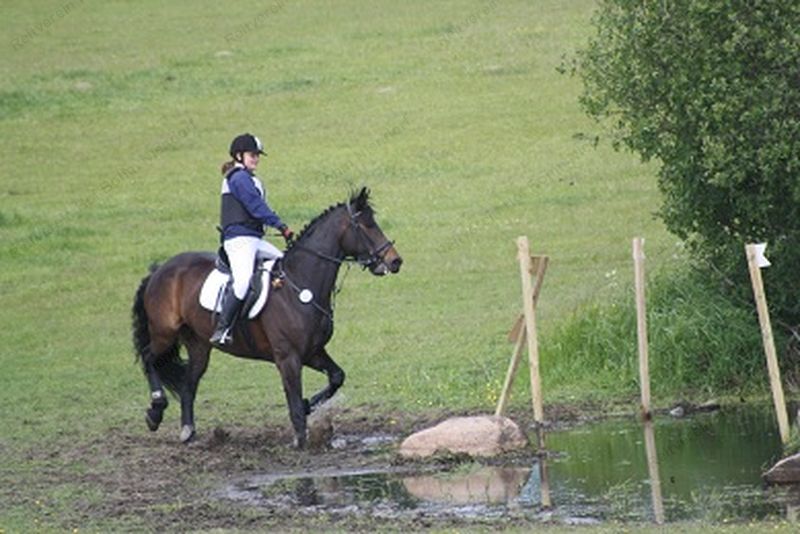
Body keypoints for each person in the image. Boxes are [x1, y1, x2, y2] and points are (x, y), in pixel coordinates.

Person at [210, 133, 294, 345]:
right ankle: (222, 329)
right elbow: (256, 207)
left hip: (253, 240)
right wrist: (281, 226)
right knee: (242, 281)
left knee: (284, 262)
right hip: (239, 241)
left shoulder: (248, 178)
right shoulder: (238, 178)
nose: (256, 159)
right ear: (239, 156)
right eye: (252, 155)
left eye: (257, 155)